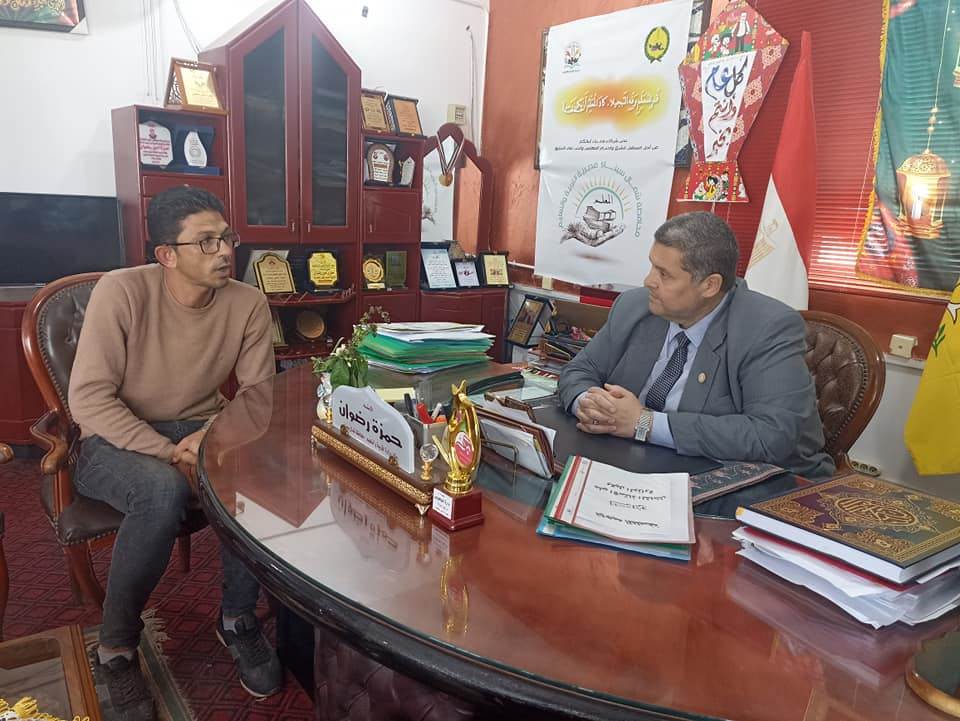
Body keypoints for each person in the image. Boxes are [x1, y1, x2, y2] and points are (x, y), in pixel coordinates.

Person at [68, 186, 281, 721]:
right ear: (167, 254)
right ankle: (116, 648)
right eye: (206, 242)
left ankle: (238, 620)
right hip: (113, 438)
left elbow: (259, 395)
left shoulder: (248, 302)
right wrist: (169, 452)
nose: (224, 252)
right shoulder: (121, 291)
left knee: (257, 475)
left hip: (201, 428)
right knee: (161, 491)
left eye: (226, 238)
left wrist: (208, 435)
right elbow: (89, 400)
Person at [558, 211, 834, 480]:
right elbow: (579, 370)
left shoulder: (767, 328)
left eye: (664, 274)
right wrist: (590, 405)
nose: (648, 281)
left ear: (710, 285)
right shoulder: (635, 306)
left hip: (754, 481)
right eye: (652, 266)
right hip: (638, 463)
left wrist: (644, 423)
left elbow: (771, 435)